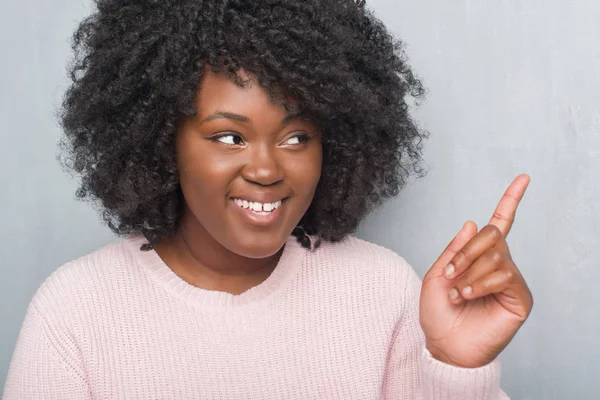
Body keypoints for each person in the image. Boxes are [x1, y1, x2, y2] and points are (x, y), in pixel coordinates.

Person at [3, 0, 533, 399]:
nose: (265, 169)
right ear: (163, 141)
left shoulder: (383, 291)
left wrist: (458, 369)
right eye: (229, 137)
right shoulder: (74, 313)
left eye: (296, 137)